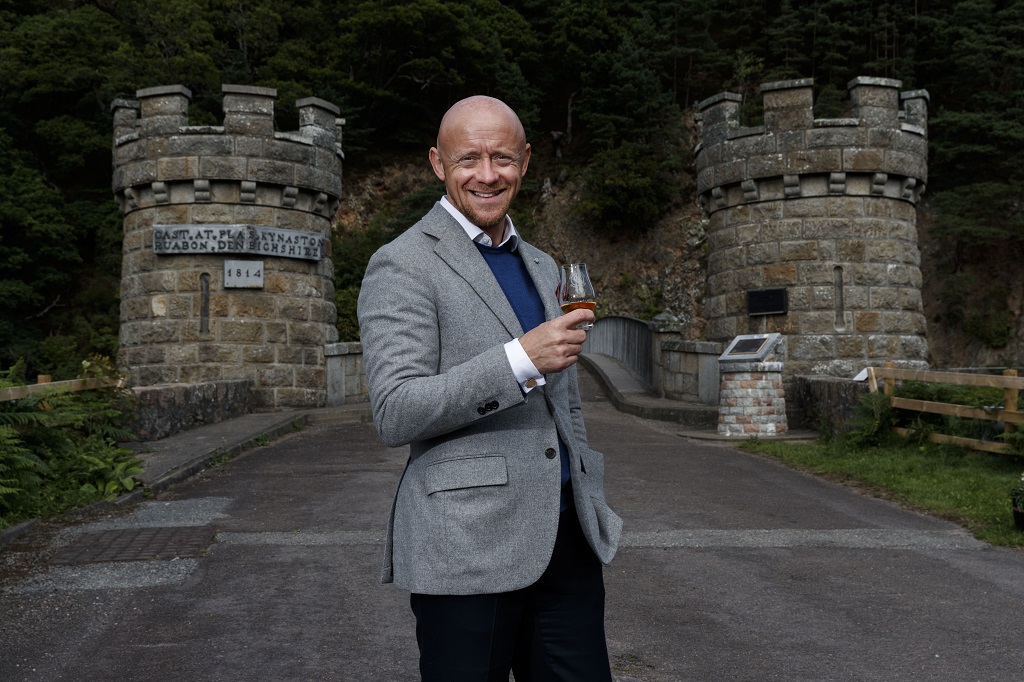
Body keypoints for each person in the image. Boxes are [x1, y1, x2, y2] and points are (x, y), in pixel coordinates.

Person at [357, 95, 622, 681]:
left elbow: (566, 406)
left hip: (566, 541)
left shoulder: (546, 266)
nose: (486, 174)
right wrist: (517, 360)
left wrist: (589, 497)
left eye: (501, 158)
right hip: (465, 545)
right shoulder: (400, 265)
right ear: (436, 163)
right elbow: (395, 410)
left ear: (525, 162)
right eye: (467, 159)